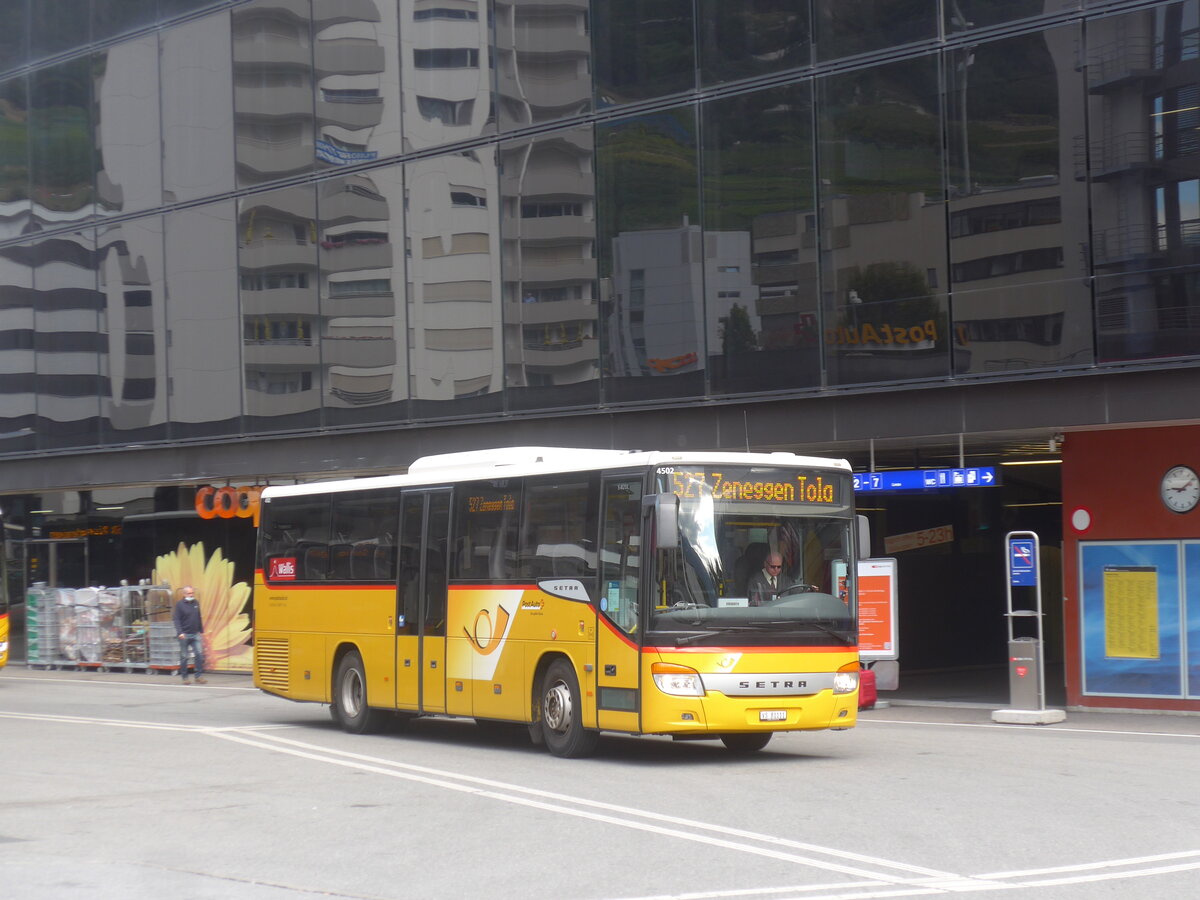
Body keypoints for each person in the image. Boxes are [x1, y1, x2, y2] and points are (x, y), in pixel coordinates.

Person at [173, 586, 207, 684]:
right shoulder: (180, 605)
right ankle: (185, 677)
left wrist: (201, 630)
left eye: (192, 593)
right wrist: (180, 632)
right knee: (184, 656)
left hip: (195, 633)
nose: (191, 595)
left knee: (199, 655)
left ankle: (198, 676)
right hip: (185, 635)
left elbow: (198, 617)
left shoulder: (196, 603)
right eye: (189, 593)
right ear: (184, 594)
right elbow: (176, 620)